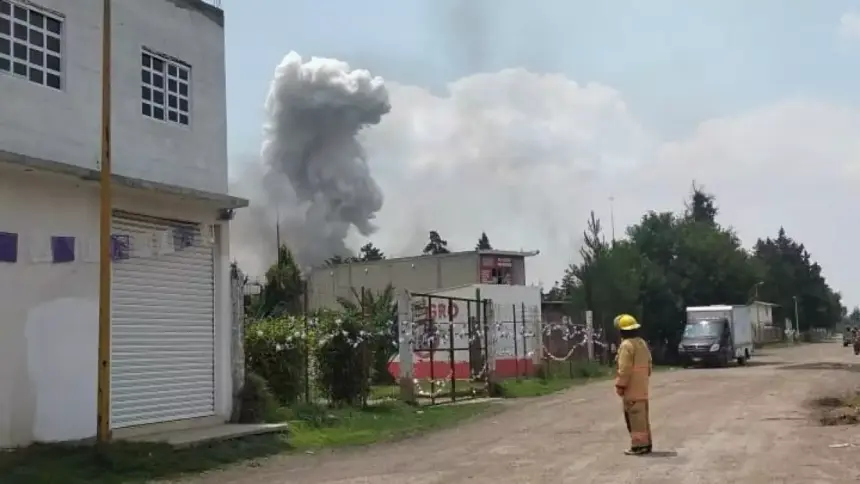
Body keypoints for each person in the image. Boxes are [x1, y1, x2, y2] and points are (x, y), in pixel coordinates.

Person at [614, 313, 653, 455]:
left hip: (631, 389)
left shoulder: (626, 345)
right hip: (642, 388)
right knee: (642, 419)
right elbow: (649, 365)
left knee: (635, 420)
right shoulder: (642, 343)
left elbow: (624, 369)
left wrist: (620, 385)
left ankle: (638, 446)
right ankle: (646, 443)